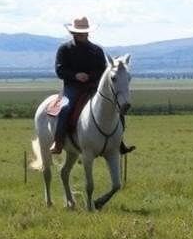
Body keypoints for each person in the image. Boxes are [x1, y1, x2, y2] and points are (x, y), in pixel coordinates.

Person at [51, 16, 133, 156]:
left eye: (83, 32)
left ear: (88, 32)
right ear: (73, 32)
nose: (81, 34)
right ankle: (58, 142)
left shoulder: (97, 50)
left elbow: (102, 70)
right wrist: (76, 75)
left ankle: (119, 142)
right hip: (72, 87)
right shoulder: (64, 49)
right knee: (65, 108)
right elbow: (60, 70)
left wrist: (90, 76)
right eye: (78, 32)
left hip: (94, 86)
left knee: (116, 106)